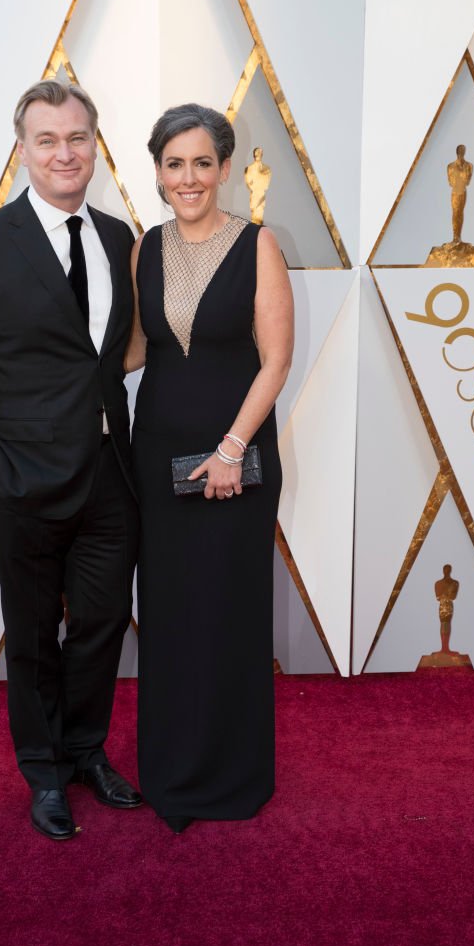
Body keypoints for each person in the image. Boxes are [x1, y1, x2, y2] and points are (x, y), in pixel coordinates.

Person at [0, 80, 141, 841]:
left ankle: (86, 750)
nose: (65, 152)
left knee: (101, 624)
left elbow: (110, 358)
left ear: (95, 144)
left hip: (110, 476)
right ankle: (44, 772)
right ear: (22, 150)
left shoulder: (120, 238)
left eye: (77, 137)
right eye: (48, 140)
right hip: (20, 483)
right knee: (30, 637)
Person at [125, 104, 294, 833]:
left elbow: (276, 359)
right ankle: (171, 768)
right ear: (157, 172)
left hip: (235, 460)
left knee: (226, 611)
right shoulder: (145, 247)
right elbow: (135, 350)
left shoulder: (258, 246)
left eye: (201, 163)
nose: (187, 177)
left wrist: (231, 450)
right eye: (173, 163)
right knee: (167, 614)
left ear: (224, 169)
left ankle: (232, 772)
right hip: (157, 455)